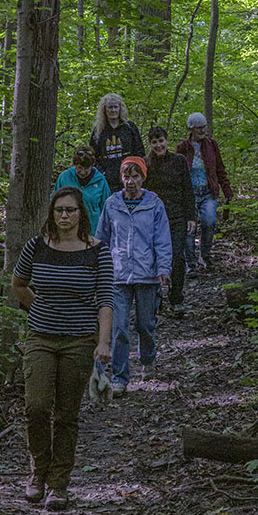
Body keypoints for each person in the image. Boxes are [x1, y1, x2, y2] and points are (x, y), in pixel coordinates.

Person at [12, 186, 114, 511]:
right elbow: (18, 283)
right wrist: (37, 306)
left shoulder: (98, 251)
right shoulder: (36, 246)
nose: (65, 216)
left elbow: (106, 300)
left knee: (67, 416)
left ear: (81, 213)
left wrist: (103, 342)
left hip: (79, 340)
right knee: (37, 408)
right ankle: (37, 473)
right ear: (51, 214)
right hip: (40, 337)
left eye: (71, 210)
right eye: (59, 210)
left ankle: (58, 484)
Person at [95, 156, 171, 396]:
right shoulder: (111, 204)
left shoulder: (154, 204)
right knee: (119, 329)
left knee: (145, 324)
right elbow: (102, 239)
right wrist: (99, 269)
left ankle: (148, 359)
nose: (130, 181)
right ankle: (120, 377)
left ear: (143, 177)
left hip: (147, 275)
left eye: (135, 176)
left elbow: (162, 239)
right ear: (121, 178)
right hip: (117, 276)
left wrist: (164, 268)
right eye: (127, 176)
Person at [145, 126, 195, 317]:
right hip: (153, 219)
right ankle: (156, 297)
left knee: (177, 256)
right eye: (154, 142)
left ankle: (176, 298)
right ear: (150, 144)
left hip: (177, 217)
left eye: (161, 141)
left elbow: (187, 189)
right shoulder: (147, 163)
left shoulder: (179, 161)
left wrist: (191, 216)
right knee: (153, 257)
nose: (158, 145)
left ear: (167, 141)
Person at [177, 113, 233, 274]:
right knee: (189, 228)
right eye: (199, 128)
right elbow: (177, 170)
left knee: (209, 222)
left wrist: (226, 189)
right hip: (189, 194)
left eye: (204, 127)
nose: (202, 130)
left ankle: (205, 255)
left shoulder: (211, 145)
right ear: (191, 129)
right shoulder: (182, 147)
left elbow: (220, 169)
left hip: (208, 192)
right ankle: (191, 263)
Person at [89, 93, 144, 192]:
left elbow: (139, 151)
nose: (113, 110)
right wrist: (102, 172)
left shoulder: (129, 127)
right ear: (104, 110)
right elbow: (93, 155)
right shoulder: (99, 130)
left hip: (129, 178)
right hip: (106, 180)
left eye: (115, 107)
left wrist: (134, 171)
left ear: (120, 108)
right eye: (110, 107)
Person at [53, 144, 110, 234]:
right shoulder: (64, 177)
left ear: (92, 165)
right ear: (74, 164)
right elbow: (54, 202)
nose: (83, 172)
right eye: (79, 168)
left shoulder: (100, 180)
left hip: (93, 231)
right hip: (67, 231)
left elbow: (106, 207)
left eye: (86, 168)